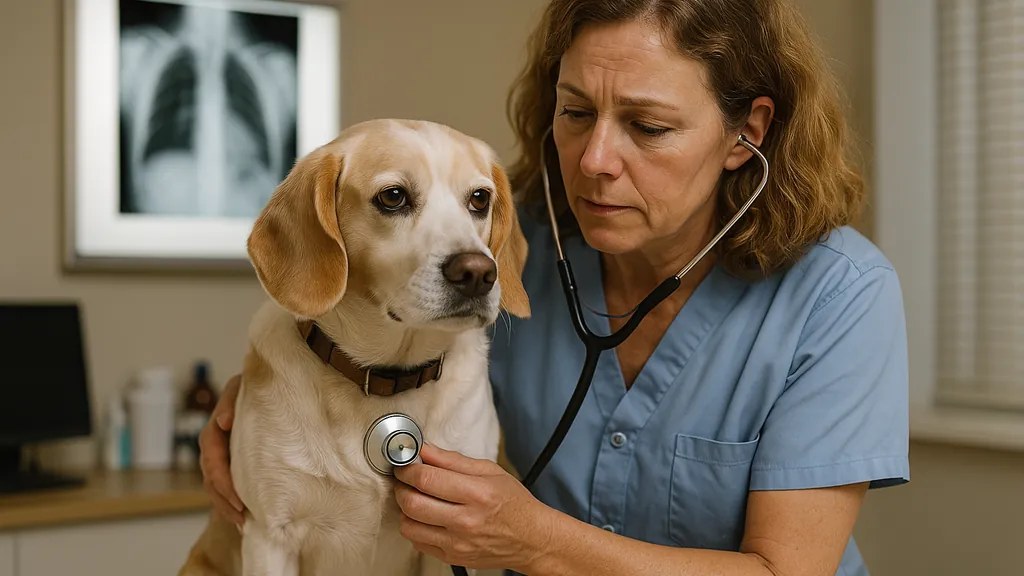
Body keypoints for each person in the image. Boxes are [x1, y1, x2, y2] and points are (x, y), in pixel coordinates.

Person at [198, 0, 910, 574]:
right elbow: (375, 352)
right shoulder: (510, 248)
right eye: (576, 113)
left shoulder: (839, 296)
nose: (596, 159)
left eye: (648, 125)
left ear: (742, 134)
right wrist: (260, 415)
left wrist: (534, 540)